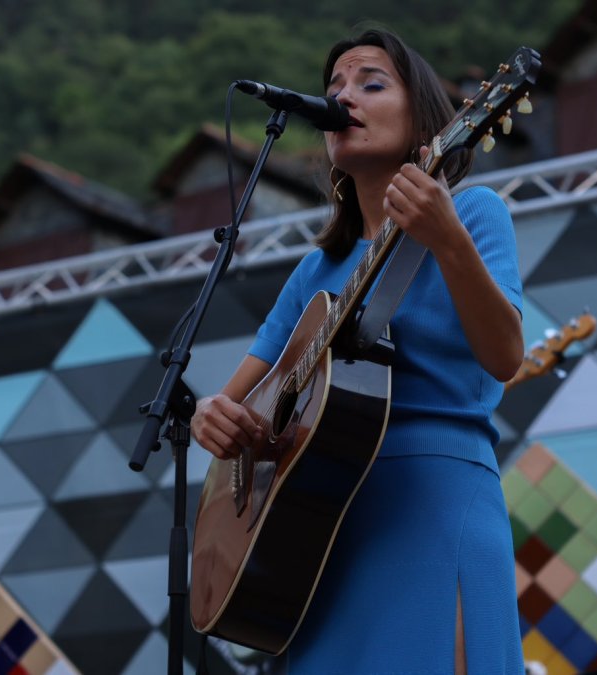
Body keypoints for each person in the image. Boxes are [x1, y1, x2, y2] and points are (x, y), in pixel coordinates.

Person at [190, 28, 526, 673]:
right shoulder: (317, 269)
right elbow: (235, 401)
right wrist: (214, 416)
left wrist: (446, 239)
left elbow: (506, 356)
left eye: (371, 83)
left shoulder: (474, 213)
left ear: (425, 118)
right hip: (317, 539)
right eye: (334, 89)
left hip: (433, 508)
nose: (344, 99)